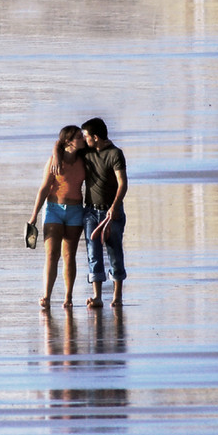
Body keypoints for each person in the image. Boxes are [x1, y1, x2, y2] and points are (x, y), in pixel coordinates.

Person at [29, 126, 86, 308]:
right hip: (53, 209)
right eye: (78, 137)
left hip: (75, 210)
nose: (82, 139)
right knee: (52, 254)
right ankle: (46, 296)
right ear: (69, 141)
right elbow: (44, 188)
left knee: (69, 256)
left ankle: (68, 297)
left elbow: (57, 143)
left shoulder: (84, 158)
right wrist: (34, 216)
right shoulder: (54, 161)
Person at [80, 117, 127, 308]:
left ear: (96, 137)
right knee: (93, 254)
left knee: (114, 252)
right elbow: (61, 144)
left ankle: (117, 297)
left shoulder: (115, 154)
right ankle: (97, 296)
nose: (84, 139)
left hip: (112, 213)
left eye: (86, 136)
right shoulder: (87, 151)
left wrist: (115, 207)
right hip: (91, 212)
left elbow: (123, 183)